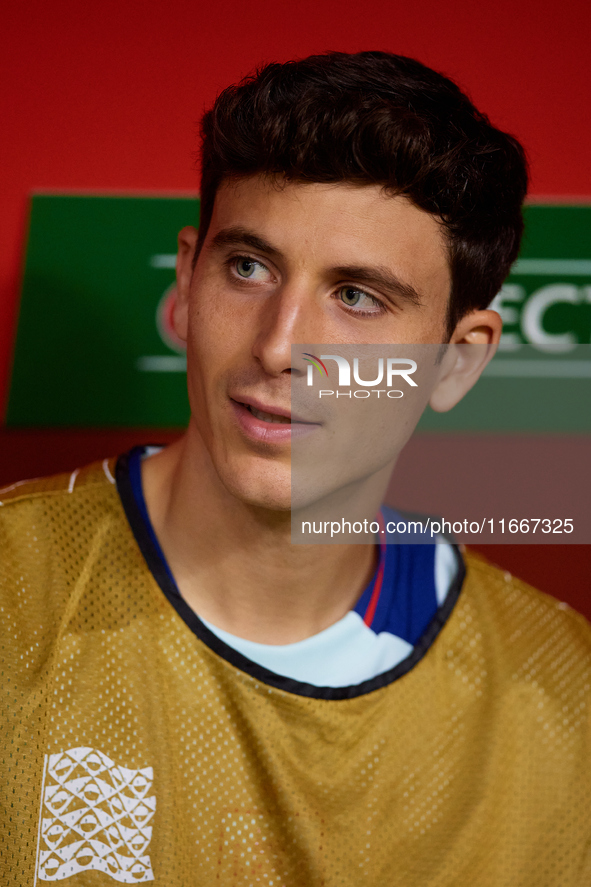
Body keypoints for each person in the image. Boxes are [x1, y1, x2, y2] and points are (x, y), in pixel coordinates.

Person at [1, 52, 589, 886]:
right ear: (185, 275)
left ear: (455, 363)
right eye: (248, 267)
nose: (279, 345)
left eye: (356, 297)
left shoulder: (566, 700)